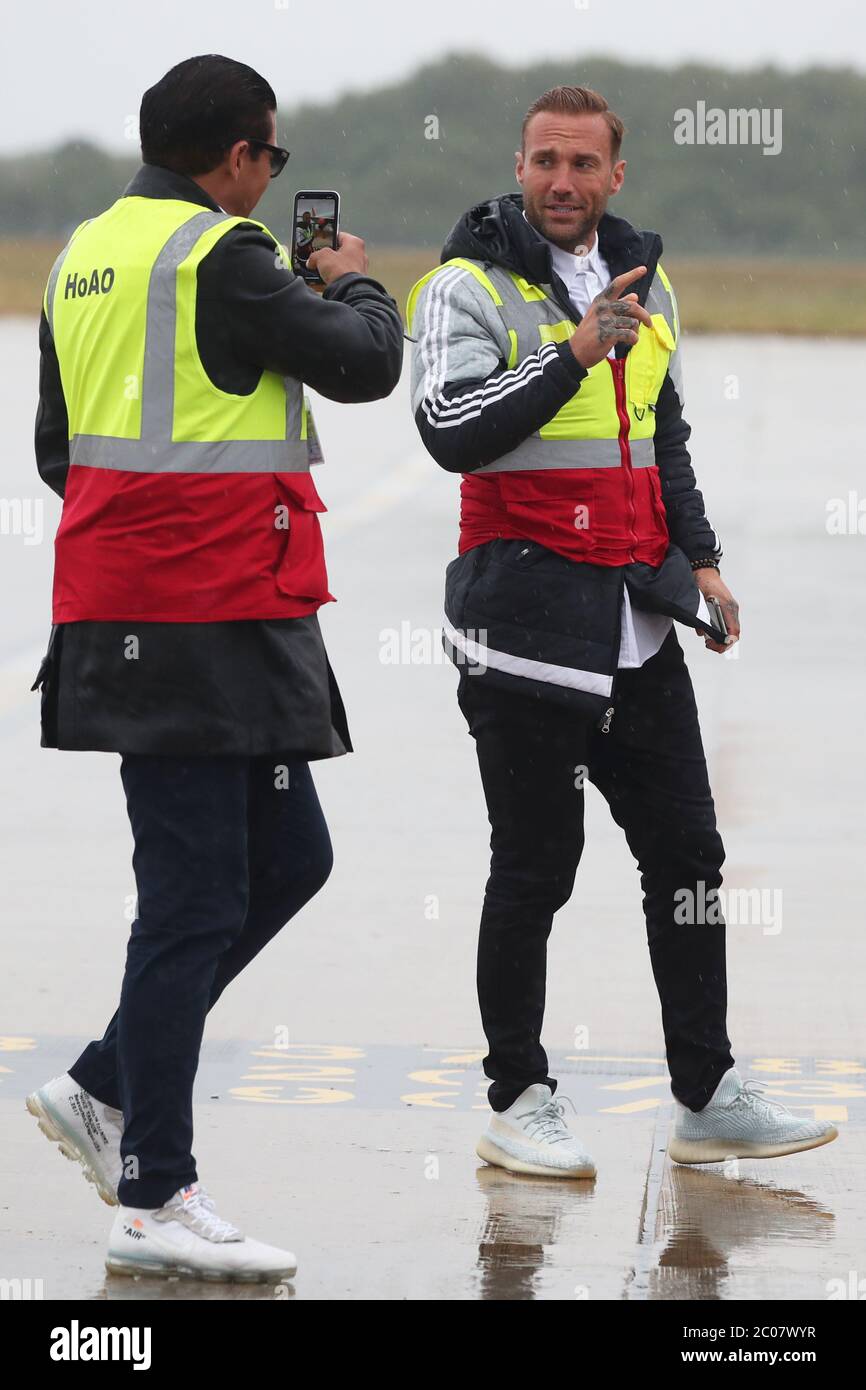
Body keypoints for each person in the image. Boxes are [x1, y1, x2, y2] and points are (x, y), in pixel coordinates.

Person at [407, 85, 837, 1179]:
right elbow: (448, 432)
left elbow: (664, 434)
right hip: (523, 627)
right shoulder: (465, 285)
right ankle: (518, 1098)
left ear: (615, 176)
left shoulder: (649, 282)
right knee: (535, 865)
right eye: (543, 161)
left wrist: (698, 558)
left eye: (582, 164)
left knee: (688, 857)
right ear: (517, 165)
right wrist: (572, 352)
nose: (561, 181)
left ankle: (703, 1091)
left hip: (635, 621)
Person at [27, 53, 403, 1281]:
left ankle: (100, 1082)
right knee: (191, 901)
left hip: (191, 620)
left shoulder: (79, 256)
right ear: (237, 157)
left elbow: (54, 452)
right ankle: (154, 1189)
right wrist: (359, 286)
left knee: (292, 856)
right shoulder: (218, 258)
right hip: (189, 626)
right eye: (269, 159)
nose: (268, 182)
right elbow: (360, 364)